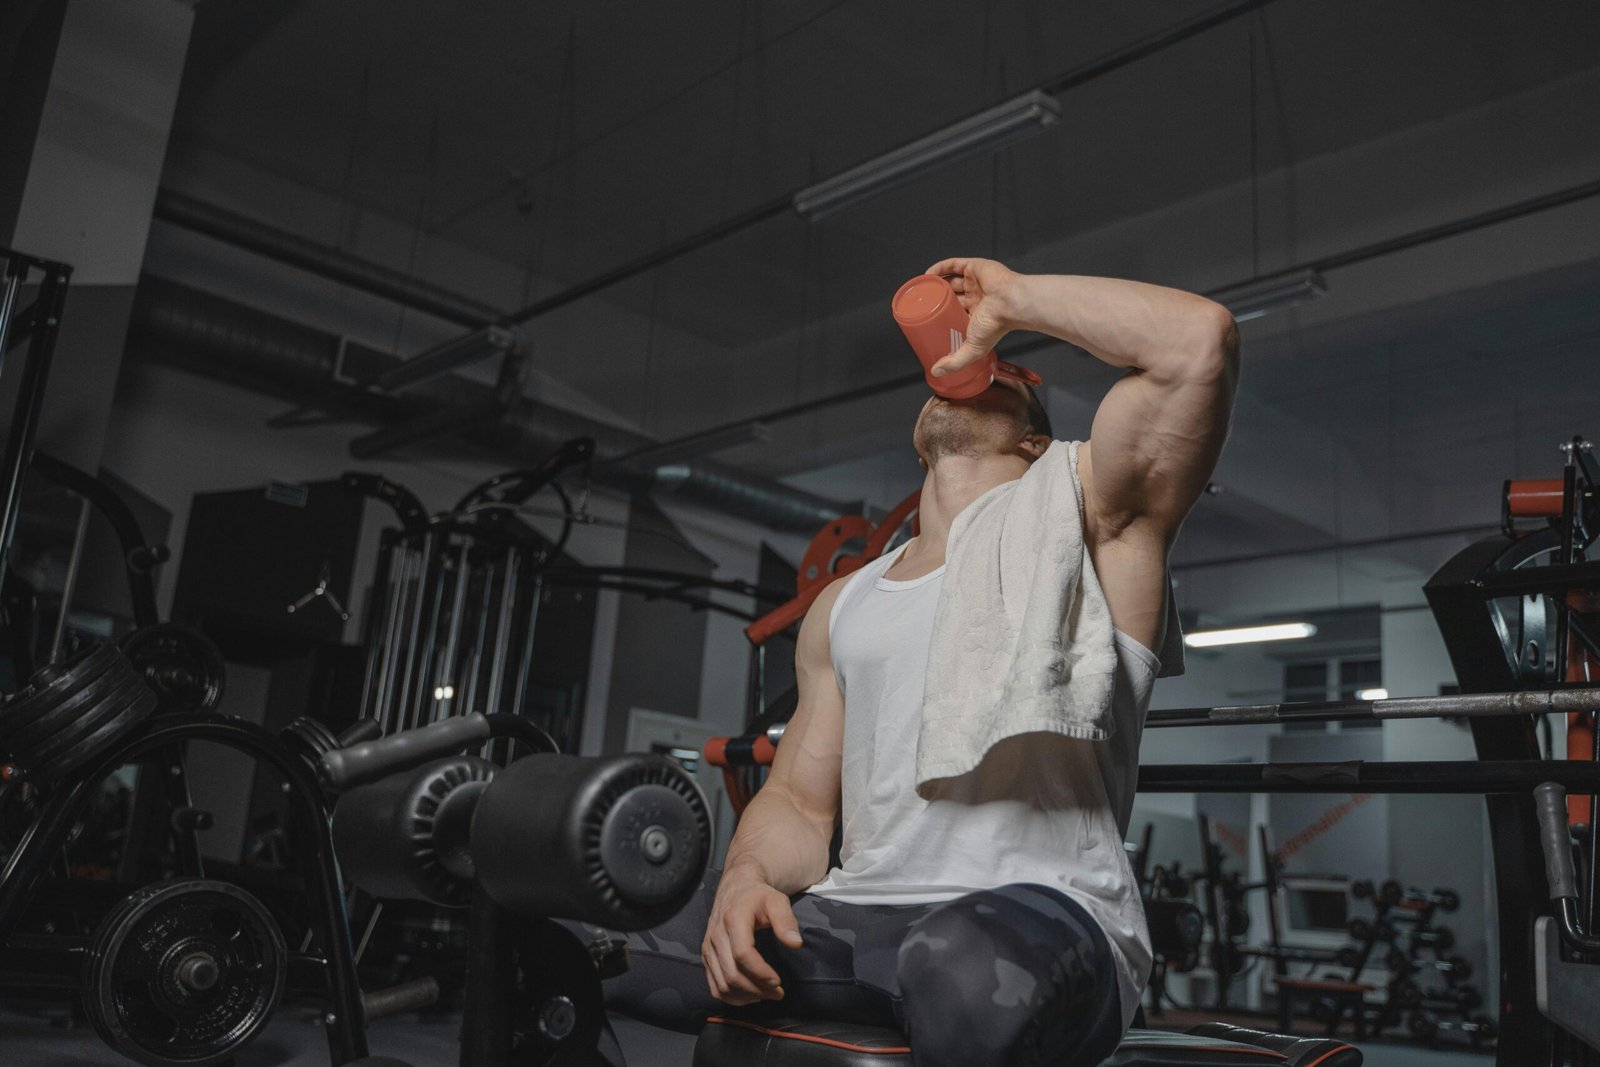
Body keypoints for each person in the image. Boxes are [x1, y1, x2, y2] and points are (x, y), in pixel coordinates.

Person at [591, 258, 1238, 1066]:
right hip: (855, 914)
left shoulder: (1096, 528)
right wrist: (744, 879)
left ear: (1037, 442)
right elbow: (796, 800)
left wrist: (1012, 303)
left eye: (1003, 372)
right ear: (917, 436)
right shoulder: (844, 604)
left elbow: (1197, 342)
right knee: (578, 934)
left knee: (955, 966)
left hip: (1038, 917)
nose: (975, 365)